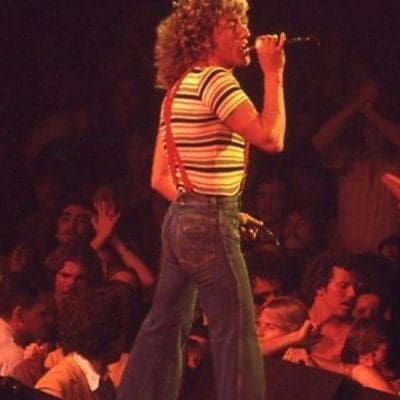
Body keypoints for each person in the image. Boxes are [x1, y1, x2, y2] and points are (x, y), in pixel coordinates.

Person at [117, 1, 286, 399]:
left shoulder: (179, 89)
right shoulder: (216, 81)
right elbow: (271, 138)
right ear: (207, 34)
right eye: (235, 24)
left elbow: (159, 178)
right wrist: (274, 73)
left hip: (181, 219)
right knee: (236, 336)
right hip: (206, 220)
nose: (246, 33)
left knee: (163, 329)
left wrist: (205, 211)